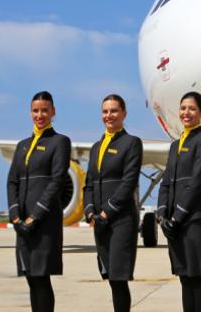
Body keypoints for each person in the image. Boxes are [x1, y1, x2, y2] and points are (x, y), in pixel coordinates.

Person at [6, 91, 70, 312]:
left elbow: (57, 180)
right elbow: (12, 181)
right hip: (22, 224)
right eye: (35, 110)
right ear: (30, 112)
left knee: (42, 278)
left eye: (44, 110)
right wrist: (15, 216)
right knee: (30, 277)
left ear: (53, 112)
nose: (39, 115)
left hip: (44, 223)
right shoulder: (22, 145)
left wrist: (36, 216)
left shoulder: (60, 142)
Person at [157, 91, 201, 312]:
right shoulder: (175, 146)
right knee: (184, 276)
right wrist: (163, 214)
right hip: (174, 222)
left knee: (197, 275)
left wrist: (178, 216)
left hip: (193, 219)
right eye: (183, 108)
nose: (186, 113)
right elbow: (166, 182)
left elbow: (196, 182)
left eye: (192, 108)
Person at [83, 94, 142, 312]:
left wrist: (107, 212)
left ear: (124, 114)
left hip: (120, 220)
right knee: (110, 277)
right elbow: (89, 183)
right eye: (105, 111)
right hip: (99, 222)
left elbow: (128, 183)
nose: (109, 115)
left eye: (114, 111)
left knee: (119, 279)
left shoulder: (131, 143)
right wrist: (89, 211)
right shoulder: (96, 147)